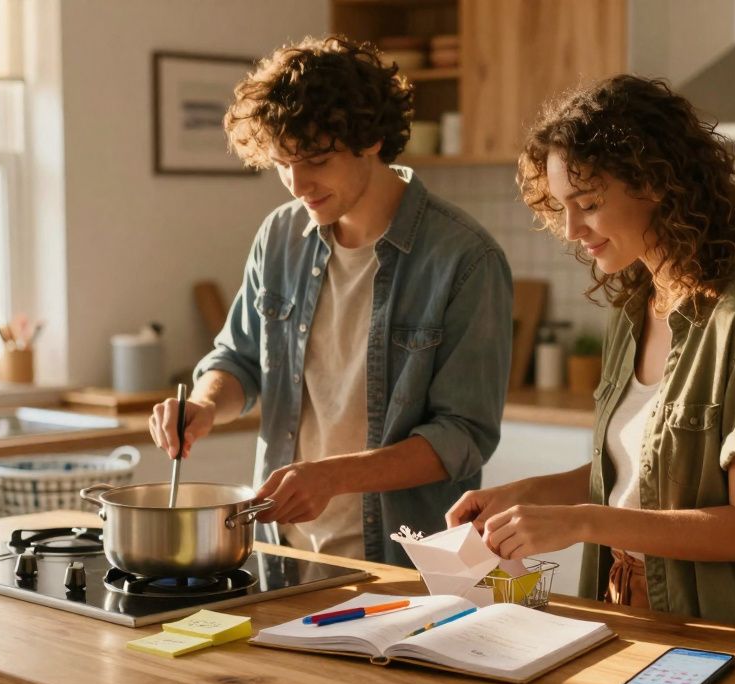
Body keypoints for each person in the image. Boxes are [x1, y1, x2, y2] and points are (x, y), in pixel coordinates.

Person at [446, 75, 735, 635]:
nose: (572, 230)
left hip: (722, 632)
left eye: (589, 203)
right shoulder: (636, 308)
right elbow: (635, 476)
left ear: (657, 183)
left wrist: (581, 522)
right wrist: (526, 495)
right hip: (624, 602)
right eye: (562, 208)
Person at [149, 36, 513, 567]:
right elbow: (239, 360)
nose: (297, 184)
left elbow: (462, 439)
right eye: (281, 164)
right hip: (280, 553)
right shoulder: (280, 236)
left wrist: (335, 476)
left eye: (316, 159)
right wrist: (204, 404)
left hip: (404, 563)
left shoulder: (464, 258)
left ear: (369, 139)